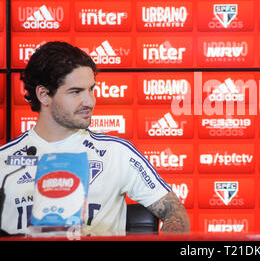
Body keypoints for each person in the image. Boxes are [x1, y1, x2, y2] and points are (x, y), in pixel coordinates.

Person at [0, 41, 190, 236]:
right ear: (44, 95)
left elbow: (174, 213)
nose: (89, 101)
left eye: (91, 89)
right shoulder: (4, 161)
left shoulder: (117, 153)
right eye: (76, 92)